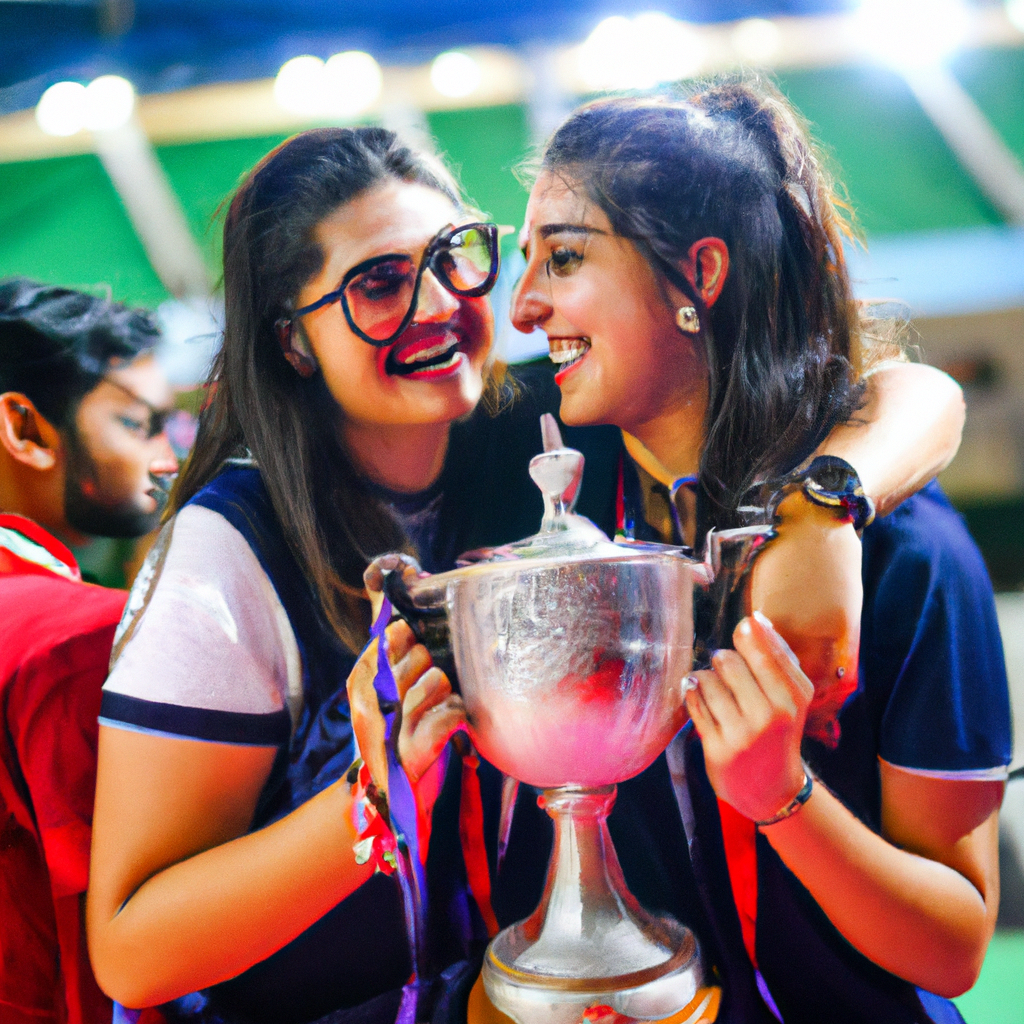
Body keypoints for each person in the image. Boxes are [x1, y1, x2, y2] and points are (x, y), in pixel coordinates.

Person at [87, 124, 967, 1024]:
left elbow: (912, 393)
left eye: (455, 257)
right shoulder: (232, 548)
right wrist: (369, 811)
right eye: (379, 284)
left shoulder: (533, 436)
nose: (443, 304)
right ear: (293, 343)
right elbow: (130, 952)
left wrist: (825, 514)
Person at [507, 81, 1010, 1024]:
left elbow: (953, 945)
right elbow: (920, 390)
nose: (524, 306)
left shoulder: (907, 554)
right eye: (525, 260)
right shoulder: (556, 481)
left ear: (701, 272)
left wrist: (781, 797)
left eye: (565, 257)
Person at [0, 278, 178, 1024]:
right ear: (25, 429)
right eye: (139, 425)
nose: (169, 459)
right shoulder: (75, 638)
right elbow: (112, 956)